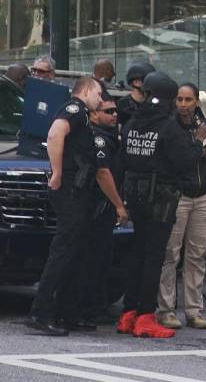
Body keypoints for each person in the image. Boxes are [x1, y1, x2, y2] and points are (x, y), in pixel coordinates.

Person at [119, 71, 206, 339]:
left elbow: (123, 157)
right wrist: (199, 142)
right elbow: (185, 160)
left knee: (136, 253)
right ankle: (146, 315)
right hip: (160, 198)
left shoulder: (133, 123)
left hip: (134, 193)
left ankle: (128, 312)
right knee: (154, 257)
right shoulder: (168, 127)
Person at [26, 76, 111, 335]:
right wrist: (58, 172)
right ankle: (41, 312)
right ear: (85, 91)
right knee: (63, 253)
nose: (100, 100)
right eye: (98, 94)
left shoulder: (83, 114)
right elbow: (55, 133)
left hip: (79, 191)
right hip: (70, 191)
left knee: (74, 253)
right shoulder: (75, 109)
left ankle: (65, 311)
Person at [154, 83, 206, 330]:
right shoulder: (171, 127)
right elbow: (181, 160)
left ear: (197, 102)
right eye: (179, 99)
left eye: (188, 100)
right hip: (178, 195)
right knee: (171, 254)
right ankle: (166, 309)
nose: (183, 104)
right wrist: (200, 148)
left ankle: (194, 310)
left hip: (202, 195)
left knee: (197, 255)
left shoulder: (205, 126)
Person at [77, 91, 126, 328]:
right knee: (93, 260)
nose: (114, 115)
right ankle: (88, 308)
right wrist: (119, 204)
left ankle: (97, 305)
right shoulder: (98, 139)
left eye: (116, 111)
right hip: (96, 207)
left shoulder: (110, 137)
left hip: (104, 208)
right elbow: (102, 173)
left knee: (103, 259)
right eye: (108, 111)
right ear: (95, 114)